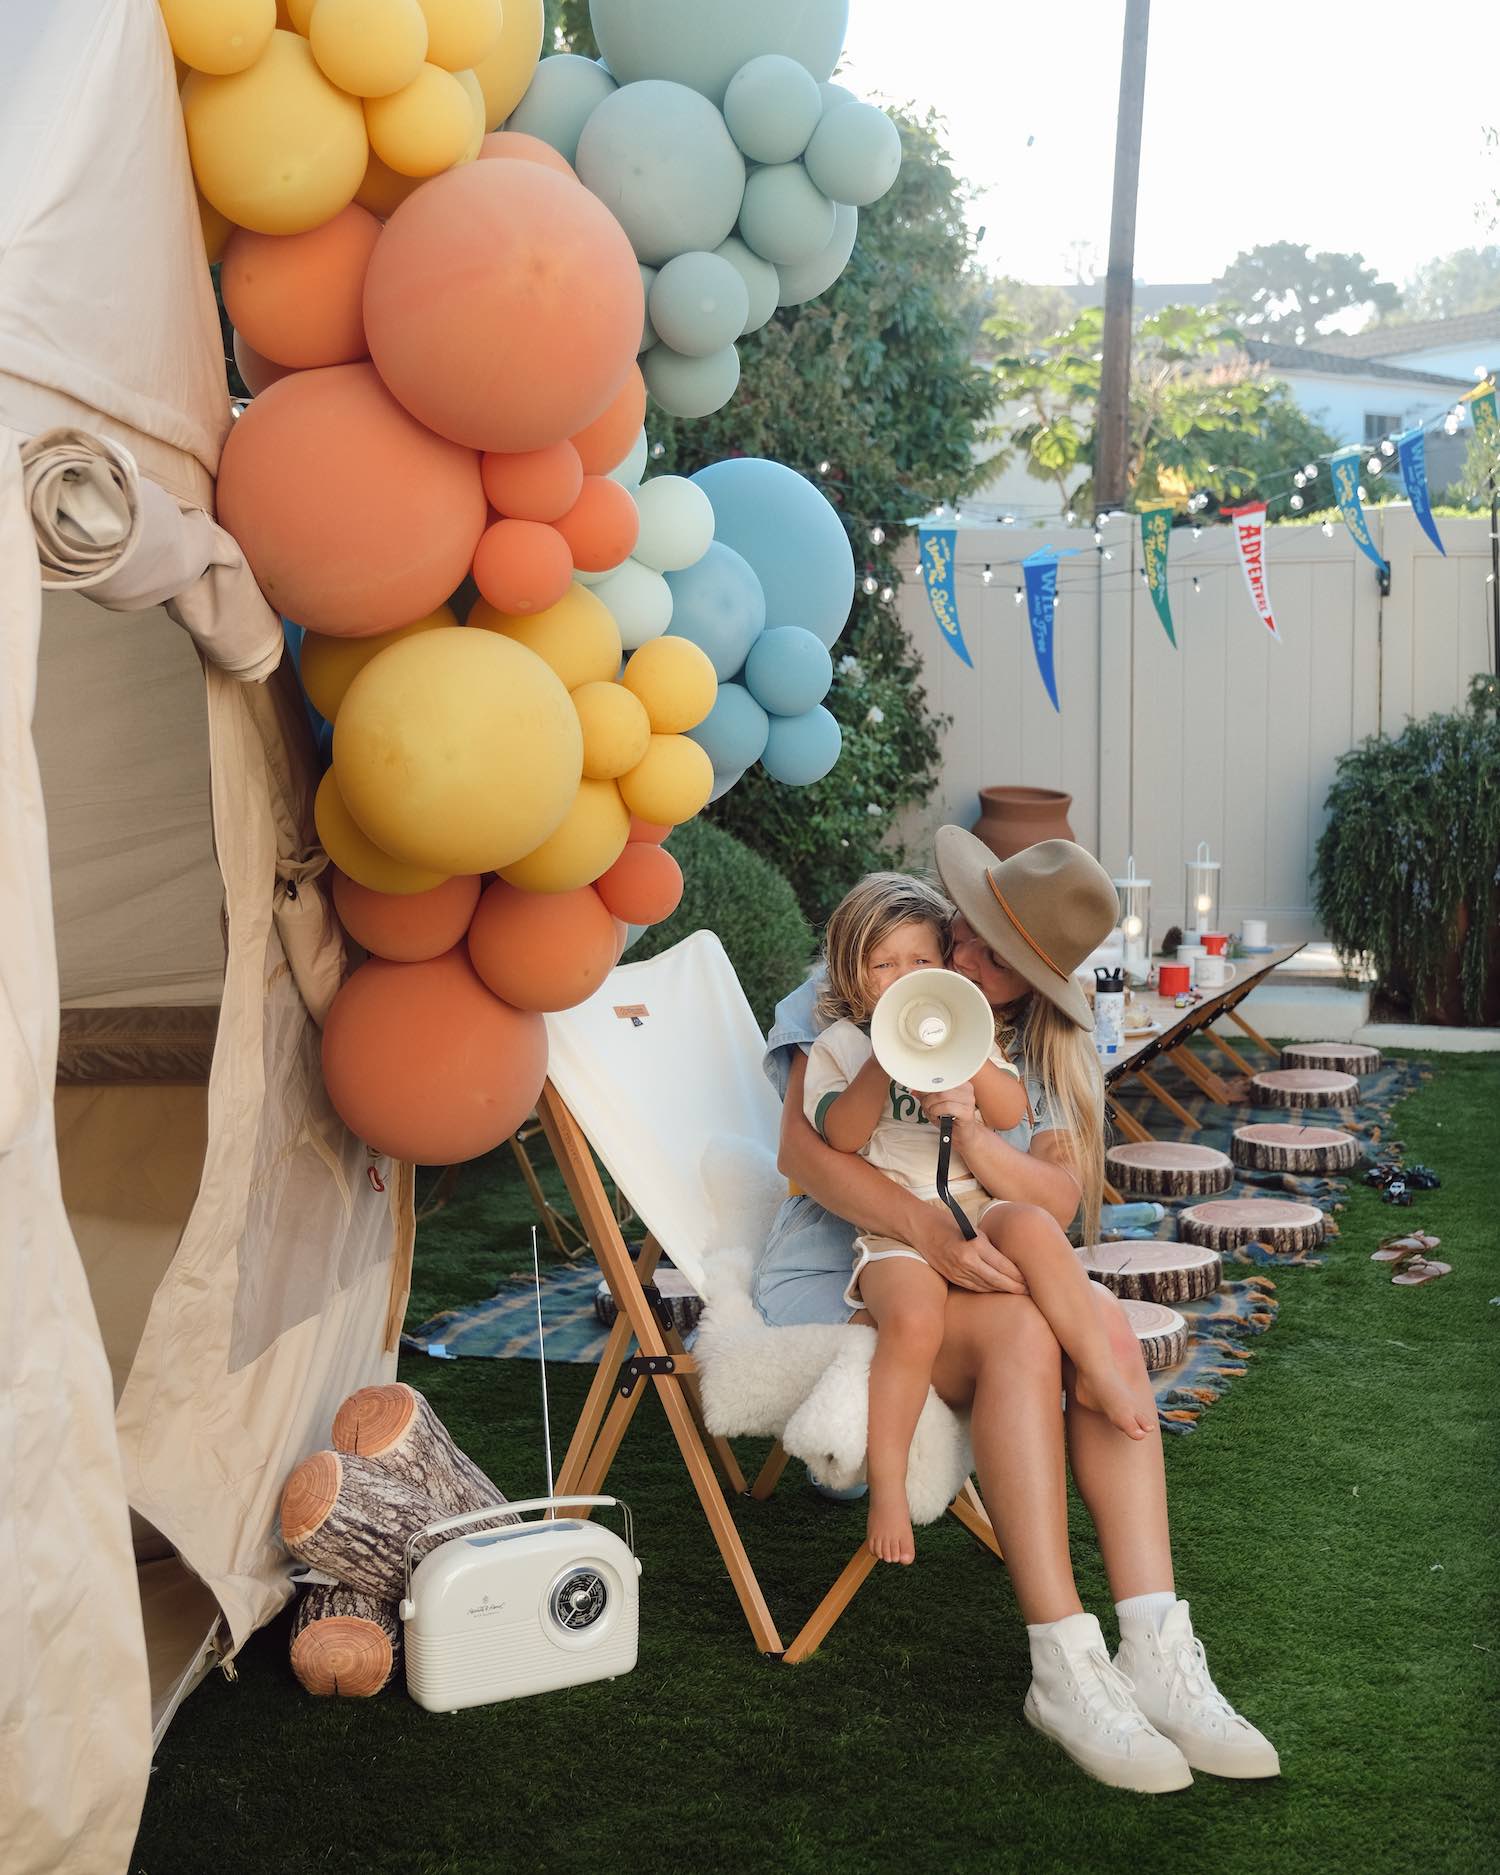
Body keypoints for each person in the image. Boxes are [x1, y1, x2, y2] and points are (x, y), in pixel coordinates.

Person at [755, 829, 1280, 1794]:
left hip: (972, 1239)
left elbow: (1053, 1191)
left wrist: (973, 1147)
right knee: (1039, 1330)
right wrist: (928, 1224)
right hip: (850, 1263)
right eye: (973, 932)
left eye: (999, 959)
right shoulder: (876, 967)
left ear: (1040, 979)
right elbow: (808, 1153)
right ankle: (1062, 1663)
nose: (961, 961)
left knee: (1097, 1326)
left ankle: (1157, 1646)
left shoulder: (1022, 1037)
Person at [803, 873, 1151, 1568]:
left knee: (1030, 1224)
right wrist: (882, 1060)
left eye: (922, 962)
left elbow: (1012, 1110)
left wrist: (967, 1100)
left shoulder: (967, 1026)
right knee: (915, 1321)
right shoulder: (841, 1044)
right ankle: (890, 1488)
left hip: (977, 1208)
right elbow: (835, 1136)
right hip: (896, 1233)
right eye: (885, 965)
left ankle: (1095, 1369)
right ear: (855, 975)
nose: (909, 977)